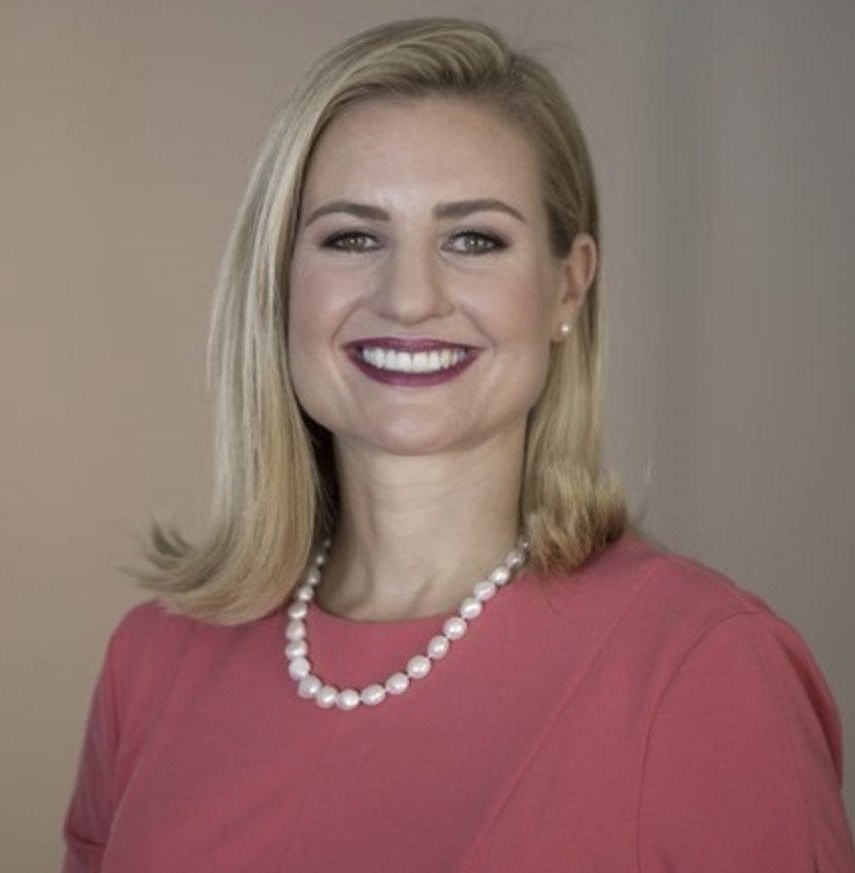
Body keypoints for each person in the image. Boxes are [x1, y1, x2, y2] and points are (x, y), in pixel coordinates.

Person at [60, 16, 855, 872]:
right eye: (352, 237)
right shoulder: (153, 658)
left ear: (568, 283)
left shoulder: (706, 667)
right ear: (278, 279)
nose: (408, 298)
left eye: (473, 239)